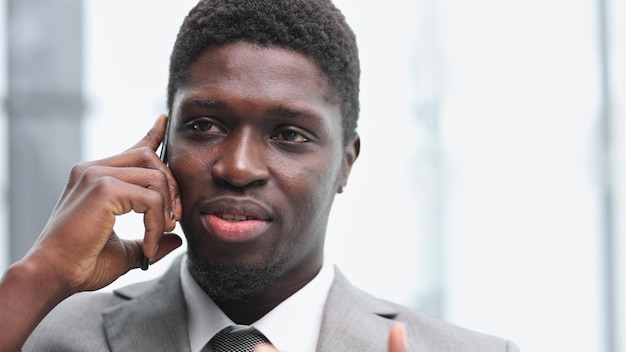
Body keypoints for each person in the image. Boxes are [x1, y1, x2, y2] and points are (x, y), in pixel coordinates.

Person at [0, 0, 520, 351]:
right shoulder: (37, 336)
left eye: (289, 134)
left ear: (347, 163)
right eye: (204, 125)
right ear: (162, 143)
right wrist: (36, 277)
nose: (238, 168)